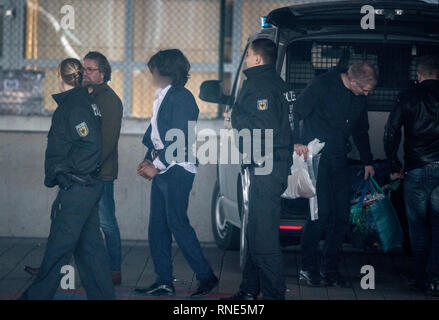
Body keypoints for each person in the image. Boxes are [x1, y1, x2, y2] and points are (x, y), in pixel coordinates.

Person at [24, 52, 124, 286]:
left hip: (96, 174)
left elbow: (104, 142)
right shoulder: (84, 97)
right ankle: (55, 267)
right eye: (84, 69)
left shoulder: (108, 100)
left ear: (103, 73)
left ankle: (114, 269)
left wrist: (85, 170)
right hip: (81, 176)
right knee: (79, 229)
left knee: (105, 223)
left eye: (90, 69)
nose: (85, 73)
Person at [135, 49, 219, 297]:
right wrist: (148, 158)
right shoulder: (164, 95)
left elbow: (179, 139)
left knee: (177, 224)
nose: (151, 74)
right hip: (165, 168)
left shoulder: (182, 97)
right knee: (158, 227)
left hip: (177, 170)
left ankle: (206, 277)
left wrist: (156, 165)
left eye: (154, 70)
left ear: (166, 71)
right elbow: (156, 135)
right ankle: (163, 280)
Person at [294, 62, 377, 288]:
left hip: (341, 160)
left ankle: (330, 270)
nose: (367, 94)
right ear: (351, 80)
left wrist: (368, 160)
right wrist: (296, 141)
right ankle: (307, 268)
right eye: (364, 89)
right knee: (319, 216)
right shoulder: (322, 85)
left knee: (340, 217)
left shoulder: (358, 97)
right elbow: (297, 110)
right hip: (317, 160)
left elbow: (361, 130)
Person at [223, 39, 294, 300]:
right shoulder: (277, 84)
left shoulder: (260, 85)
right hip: (270, 164)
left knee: (262, 237)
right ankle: (249, 290)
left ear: (257, 59)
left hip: (266, 165)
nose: (246, 59)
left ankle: (274, 295)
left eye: (249, 54)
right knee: (253, 232)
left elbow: (260, 132)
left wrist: (235, 118)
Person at [384, 55, 439, 297]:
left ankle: (420, 278)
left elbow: (390, 132)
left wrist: (393, 163)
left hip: (416, 170)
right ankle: (435, 278)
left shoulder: (408, 96)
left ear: (419, 74)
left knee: (417, 228)